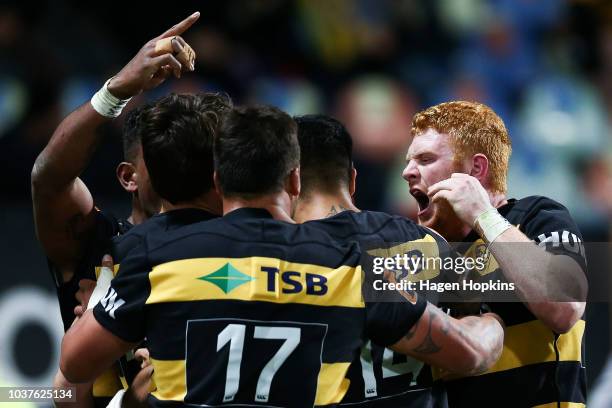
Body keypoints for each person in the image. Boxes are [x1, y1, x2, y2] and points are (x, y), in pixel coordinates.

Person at [60, 105, 504, 408]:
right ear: (293, 182)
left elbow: (63, 380)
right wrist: (491, 322)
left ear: (218, 181)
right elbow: (474, 348)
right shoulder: (350, 263)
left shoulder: (148, 255)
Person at [32, 12, 201, 407]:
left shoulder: (231, 240)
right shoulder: (97, 241)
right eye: (162, 152)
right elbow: (49, 180)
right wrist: (116, 92)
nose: (179, 159)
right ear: (129, 177)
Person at [293, 114, 503, 407]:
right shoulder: (430, 243)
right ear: (353, 179)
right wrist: (492, 323)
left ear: (290, 180)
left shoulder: (279, 261)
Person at [402, 100, 588, 407]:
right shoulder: (421, 251)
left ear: (475, 169)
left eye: (425, 159)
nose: (407, 172)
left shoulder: (536, 216)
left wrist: (483, 216)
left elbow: (565, 305)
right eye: (409, 161)